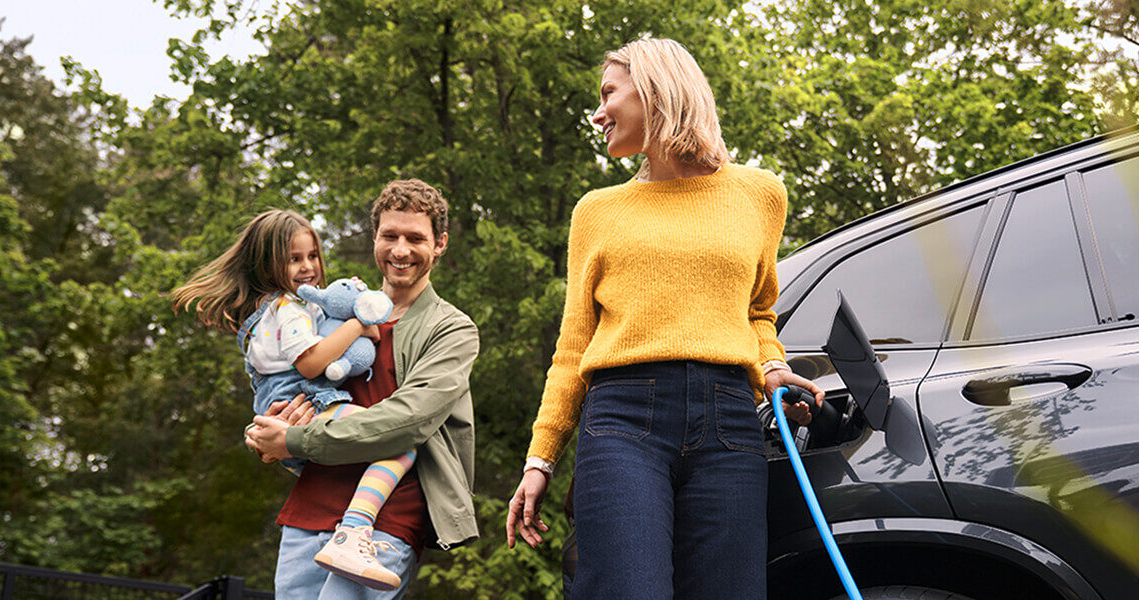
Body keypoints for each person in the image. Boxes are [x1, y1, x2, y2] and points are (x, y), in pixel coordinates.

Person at [504, 38, 824, 599]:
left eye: (608, 93)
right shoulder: (596, 212)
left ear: (655, 88)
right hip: (623, 419)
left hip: (729, 419)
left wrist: (771, 369)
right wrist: (540, 459)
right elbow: (573, 348)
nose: (598, 112)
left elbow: (756, 311)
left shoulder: (760, 195)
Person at [246, 180, 479, 600]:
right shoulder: (328, 312)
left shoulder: (451, 330)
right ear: (375, 238)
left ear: (440, 244)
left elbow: (408, 423)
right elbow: (290, 382)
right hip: (310, 507)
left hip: (386, 519)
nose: (400, 250)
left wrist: (295, 439)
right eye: (390, 236)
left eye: (415, 238)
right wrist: (268, 432)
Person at [171, 209, 417, 591]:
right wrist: (359, 325)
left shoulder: (274, 309)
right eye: (294, 259)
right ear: (268, 265)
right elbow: (310, 362)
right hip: (312, 403)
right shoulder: (287, 309)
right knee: (399, 445)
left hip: (290, 414)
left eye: (312, 256)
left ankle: (349, 527)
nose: (308, 268)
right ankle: (353, 532)